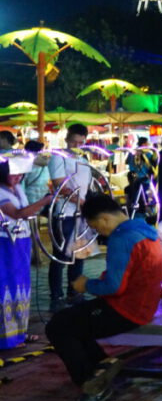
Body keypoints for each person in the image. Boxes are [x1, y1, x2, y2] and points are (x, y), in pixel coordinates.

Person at [45, 193, 162, 401]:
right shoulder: (145, 231)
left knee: (58, 326)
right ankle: (102, 368)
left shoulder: (122, 238)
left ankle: (91, 385)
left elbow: (114, 287)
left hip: (126, 310)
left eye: (96, 228)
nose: (99, 233)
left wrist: (86, 285)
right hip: (143, 305)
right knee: (75, 321)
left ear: (105, 219)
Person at [0, 154, 53, 348]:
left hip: (21, 241)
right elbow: (18, 213)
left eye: (21, 175)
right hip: (6, 243)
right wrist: (44, 202)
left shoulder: (18, 188)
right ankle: (7, 338)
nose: (18, 178)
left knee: (22, 287)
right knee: (7, 287)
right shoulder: (0, 192)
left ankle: (19, 332)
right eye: (14, 175)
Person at [47, 123, 93, 312]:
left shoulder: (83, 157)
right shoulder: (58, 157)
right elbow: (60, 184)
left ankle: (74, 292)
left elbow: (87, 184)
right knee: (60, 256)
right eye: (74, 141)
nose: (77, 145)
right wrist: (80, 202)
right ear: (67, 139)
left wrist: (88, 204)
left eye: (81, 142)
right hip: (64, 213)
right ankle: (56, 296)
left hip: (81, 214)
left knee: (80, 254)